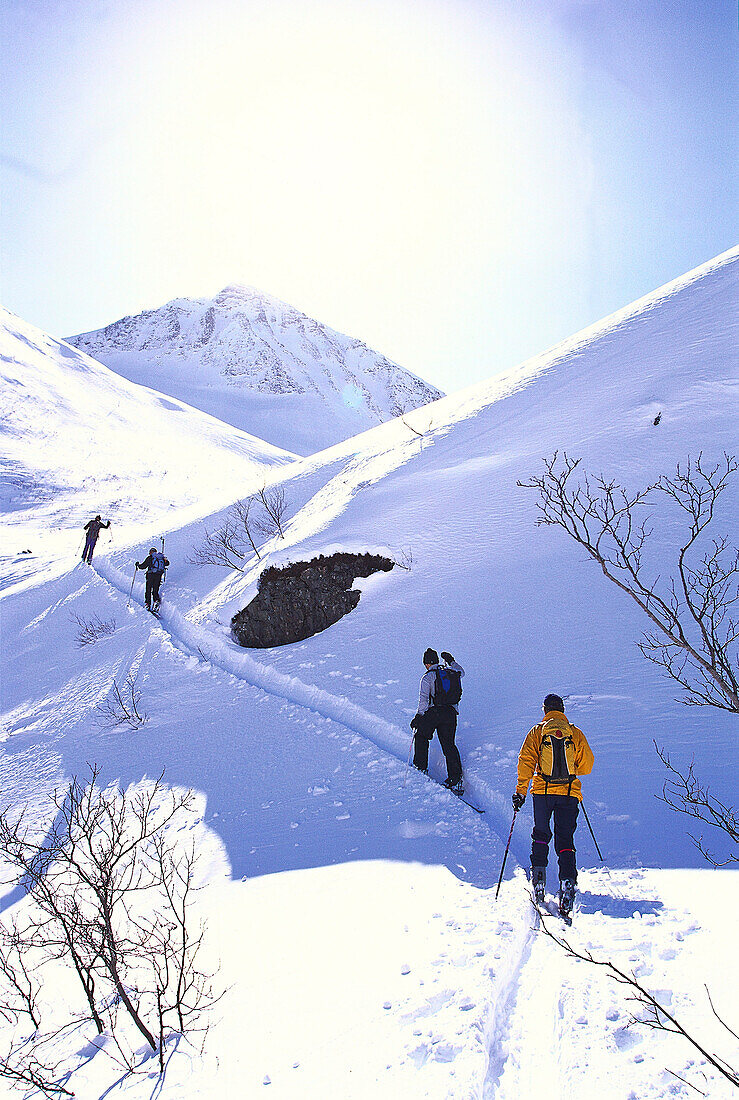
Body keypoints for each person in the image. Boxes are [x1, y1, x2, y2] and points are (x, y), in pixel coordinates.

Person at [512, 693, 594, 917]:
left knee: (541, 834)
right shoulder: (574, 733)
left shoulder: (537, 732)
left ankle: (538, 878)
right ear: (563, 709)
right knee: (565, 839)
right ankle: (567, 881)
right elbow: (586, 765)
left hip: (542, 792)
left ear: (545, 710)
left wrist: (520, 791)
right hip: (569, 792)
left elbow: (526, 761)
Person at [411, 648, 465, 795]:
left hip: (434, 713)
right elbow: (462, 672)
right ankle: (455, 779)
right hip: (451, 713)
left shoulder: (428, 678)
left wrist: (418, 717)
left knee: (421, 736)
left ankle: (420, 768)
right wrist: (451, 660)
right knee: (449, 745)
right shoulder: (450, 672)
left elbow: (424, 700)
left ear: (427, 663)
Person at [135, 547, 169, 612]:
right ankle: (156, 601)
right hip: (158, 575)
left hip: (150, 575)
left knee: (148, 589)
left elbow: (143, 566)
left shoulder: (150, 558)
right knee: (155, 589)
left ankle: (148, 604)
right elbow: (167, 563)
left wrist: (138, 565)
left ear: (151, 552)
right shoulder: (160, 557)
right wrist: (164, 559)